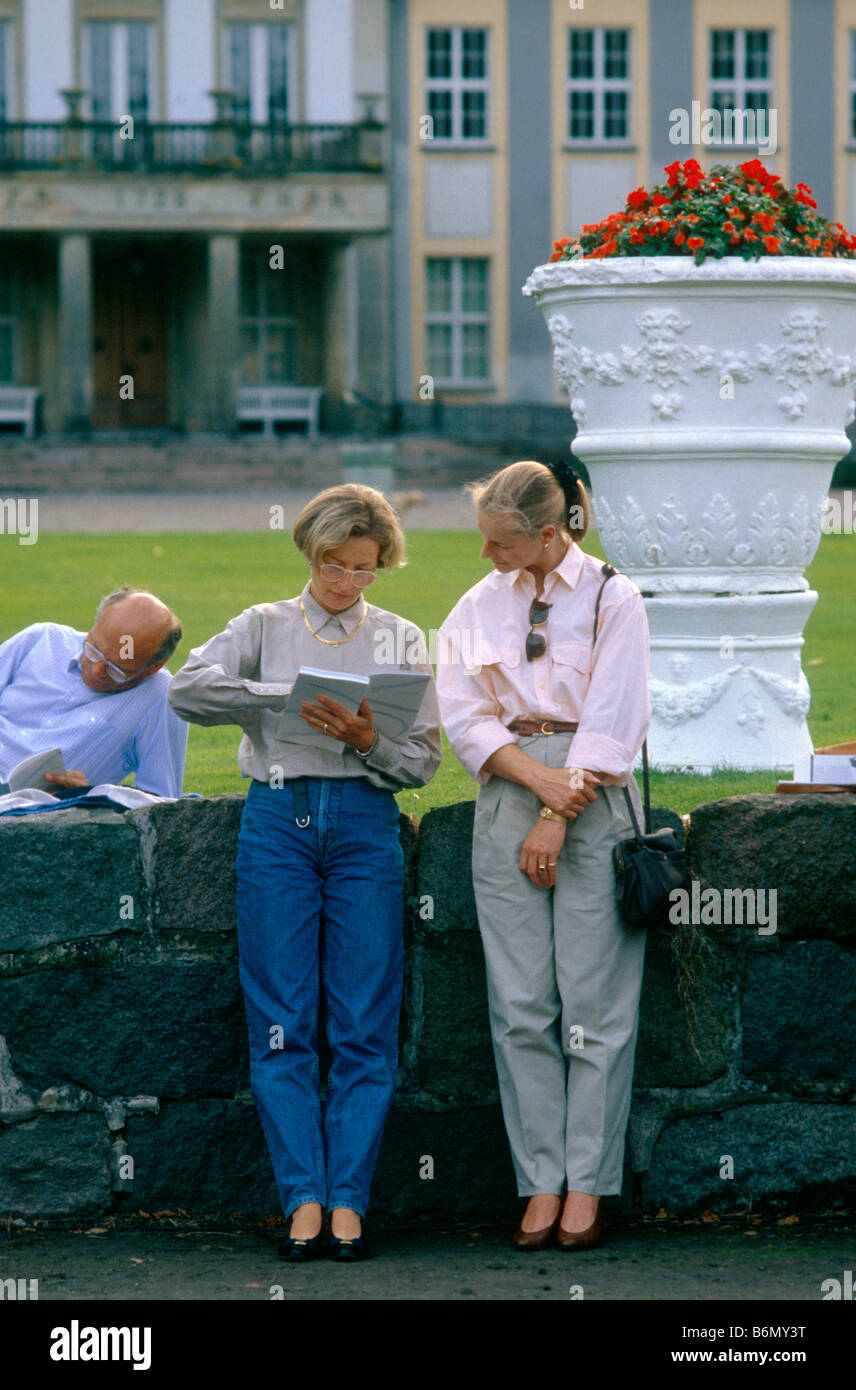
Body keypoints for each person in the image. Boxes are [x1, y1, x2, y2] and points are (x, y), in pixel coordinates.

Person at [167, 484, 441, 1262]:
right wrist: (276, 697)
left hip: (362, 824)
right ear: (310, 552)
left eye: (366, 568)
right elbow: (186, 689)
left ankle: (349, 1199)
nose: (349, 582)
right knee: (283, 1018)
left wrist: (365, 740)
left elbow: (421, 759)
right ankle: (304, 1200)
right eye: (335, 564)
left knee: (363, 1019)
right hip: (277, 825)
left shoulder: (395, 638)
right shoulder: (263, 626)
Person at [436, 459, 650, 1252]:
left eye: (499, 543)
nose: (487, 556)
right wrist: (536, 789)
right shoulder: (476, 604)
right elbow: (462, 714)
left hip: (594, 802)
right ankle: (540, 1182)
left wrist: (561, 809)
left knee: (593, 1005)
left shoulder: (612, 598)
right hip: (509, 793)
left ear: (549, 534)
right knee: (521, 1004)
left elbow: (615, 713)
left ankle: (588, 1184)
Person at [0, 587, 187, 798]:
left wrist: (87, 795)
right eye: (94, 650)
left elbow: (161, 802)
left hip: (22, 811)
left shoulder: (159, 697)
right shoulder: (41, 640)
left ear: (155, 666)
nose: (97, 672)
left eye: (118, 670)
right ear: (94, 626)